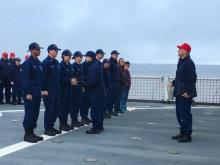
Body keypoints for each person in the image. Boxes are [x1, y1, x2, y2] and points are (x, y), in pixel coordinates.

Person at [169, 43, 197, 143]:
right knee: (179, 114)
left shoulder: (189, 63)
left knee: (185, 114)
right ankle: (182, 132)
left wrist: (188, 92)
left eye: (180, 49)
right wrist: (173, 83)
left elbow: (192, 78)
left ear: (185, 51)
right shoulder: (181, 61)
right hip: (179, 92)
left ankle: (187, 135)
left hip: (185, 93)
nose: (178, 50)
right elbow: (180, 78)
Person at [22, 42, 44, 143]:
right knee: (29, 113)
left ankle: (32, 132)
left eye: (39, 49)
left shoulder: (39, 63)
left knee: (35, 114)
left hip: (37, 93)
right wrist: (27, 92)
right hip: (30, 93)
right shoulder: (27, 63)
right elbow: (25, 79)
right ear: (31, 50)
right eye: (37, 49)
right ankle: (27, 134)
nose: (39, 51)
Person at [42, 44, 62, 136]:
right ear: (50, 51)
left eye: (57, 50)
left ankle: (51, 126)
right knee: (50, 109)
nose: (57, 52)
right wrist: (44, 89)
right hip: (49, 90)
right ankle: (47, 128)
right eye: (55, 50)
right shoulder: (46, 62)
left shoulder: (56, 62)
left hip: (57, 90)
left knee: (55, 109)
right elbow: (43, 77)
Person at [84, 51, 105, 134]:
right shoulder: (96, 64)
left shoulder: (93, 66)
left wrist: (82, 83)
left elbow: (92, 80)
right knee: (99, 110)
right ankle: (100, 126)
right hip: (99, 91)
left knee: (95, 110)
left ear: (90, 57)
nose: (85, 58)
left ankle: (96, 127)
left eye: (87, 56)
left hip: (95, 92)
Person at [59, 49, 77, 131]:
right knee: (63, 107)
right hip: (63, 89)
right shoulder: (61, 65)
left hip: (70, 88)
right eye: (68, 56)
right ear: (63, 56)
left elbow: (72, 74)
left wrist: (73, 79)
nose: (70, 57)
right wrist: (69, 80)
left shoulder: (69, 65)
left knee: (67, 107)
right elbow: (59, 78)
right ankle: (62, 124)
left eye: (70, 56)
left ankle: (65, 123)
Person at [70, 51, 84, 128]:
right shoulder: (73, 66)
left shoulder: (81, 66)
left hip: (80, 86)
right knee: (74, 104)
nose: (81, 58)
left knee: (78, 104)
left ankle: (76, 120)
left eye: (81, 56)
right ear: (75, 57)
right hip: (74, 87)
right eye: (79, 56)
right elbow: (72, 77)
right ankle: (73, 120)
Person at [109, 50, 120, 116]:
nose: (117, 56)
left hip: (116, 82)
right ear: (112, 55)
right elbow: (110, 73)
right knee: (111, 98)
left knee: (115, 97)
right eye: (116, 55)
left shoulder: (115, 62)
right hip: (112, 82)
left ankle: (112, 110)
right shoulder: (110, 62)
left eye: (117, 55)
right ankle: (110, 111)